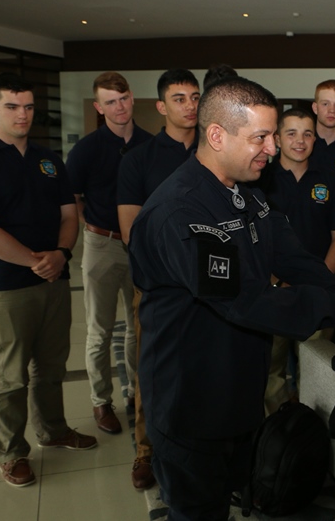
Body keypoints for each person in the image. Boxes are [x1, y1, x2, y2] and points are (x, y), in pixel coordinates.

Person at [128, 76, 335, 520]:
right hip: (192, 402)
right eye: (260, 137)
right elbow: (247, 301)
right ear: (217, 135)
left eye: (272, 136)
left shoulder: (248, 194)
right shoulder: (180, 212)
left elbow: (295, 260)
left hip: (241, 393)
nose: (272, 148)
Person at [0, 73, 98, 488]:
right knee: (12, 373)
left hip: (54, 279)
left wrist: (61, 254)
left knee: (52, 365)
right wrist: (35, 261)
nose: (22, 115)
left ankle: (53, 431)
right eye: (11, 106)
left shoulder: (48, 159)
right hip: (7, 283)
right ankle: (11, 451)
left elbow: (69, 215)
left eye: (28, 107)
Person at [117, 68, 200, 490]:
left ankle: (199, 445)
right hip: (159, 286)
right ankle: (146, 450)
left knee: (205, 366)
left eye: (195, 97)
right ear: (161, 106)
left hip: (211, 285)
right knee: (153, 369)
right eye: (179, 98)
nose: (190, 105)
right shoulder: (140, 159)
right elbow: (131, 230)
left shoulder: (214, 151)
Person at [67, 71, 153, 435]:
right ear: (99, 107)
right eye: (110, 102)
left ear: (132, 98)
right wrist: (91, 226)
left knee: (138, 326)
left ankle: (135, 392)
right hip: (101, 243)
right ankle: (101, 401)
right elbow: (71, 195)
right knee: (99, 330)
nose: (119, 107)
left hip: (139, 246)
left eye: (123, 99)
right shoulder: (87, 149)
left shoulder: (150, 145)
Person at [258, 107, 335, 414]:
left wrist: (318, 280)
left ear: (314, 140)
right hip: (272, 293)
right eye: (292, 133)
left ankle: (313, 432)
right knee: (270, 372)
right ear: (277, 139)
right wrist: (276, 282)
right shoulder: (260, 179)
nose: (300, 141)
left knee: (317, 369)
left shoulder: (331, 180)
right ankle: (278, 430)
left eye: (307, 134)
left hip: (317, 294)